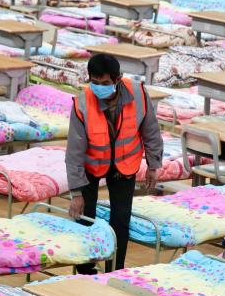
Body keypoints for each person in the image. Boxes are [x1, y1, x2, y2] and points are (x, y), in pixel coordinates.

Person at [65, 53, 163, 274]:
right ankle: (85, 271)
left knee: (120, 220)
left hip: (124, 163)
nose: (100, 88)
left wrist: (153, 165)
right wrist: (76, 193)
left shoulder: (138, 94)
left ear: (118, 79)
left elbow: (151, 130)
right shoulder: (82, 103)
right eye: (95, 83)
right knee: (84, 218)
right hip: (92, 164)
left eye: (106, 83)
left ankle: (115, 271)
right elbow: (74, 151)